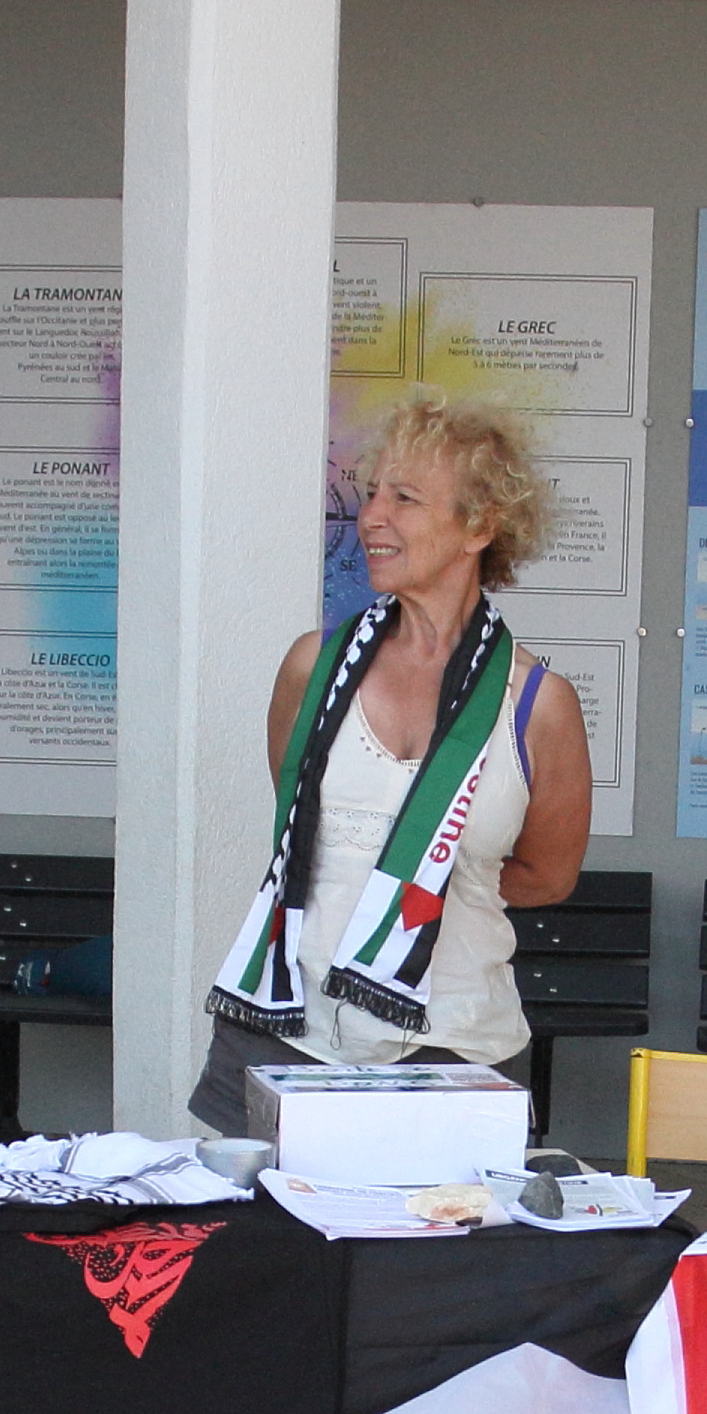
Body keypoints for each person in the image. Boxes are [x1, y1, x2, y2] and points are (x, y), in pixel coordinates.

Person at [189, 387, 592, 1135]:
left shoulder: (539, 705)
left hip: (455, 1046)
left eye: (404, 499)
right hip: (285, 1031)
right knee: (265, 1218)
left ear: (479, 525)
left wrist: (421, 884)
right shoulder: (312, 669)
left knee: (444, 1218)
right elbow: (300, 827)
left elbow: (549, 874)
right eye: (372, 493)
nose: (372, 516)